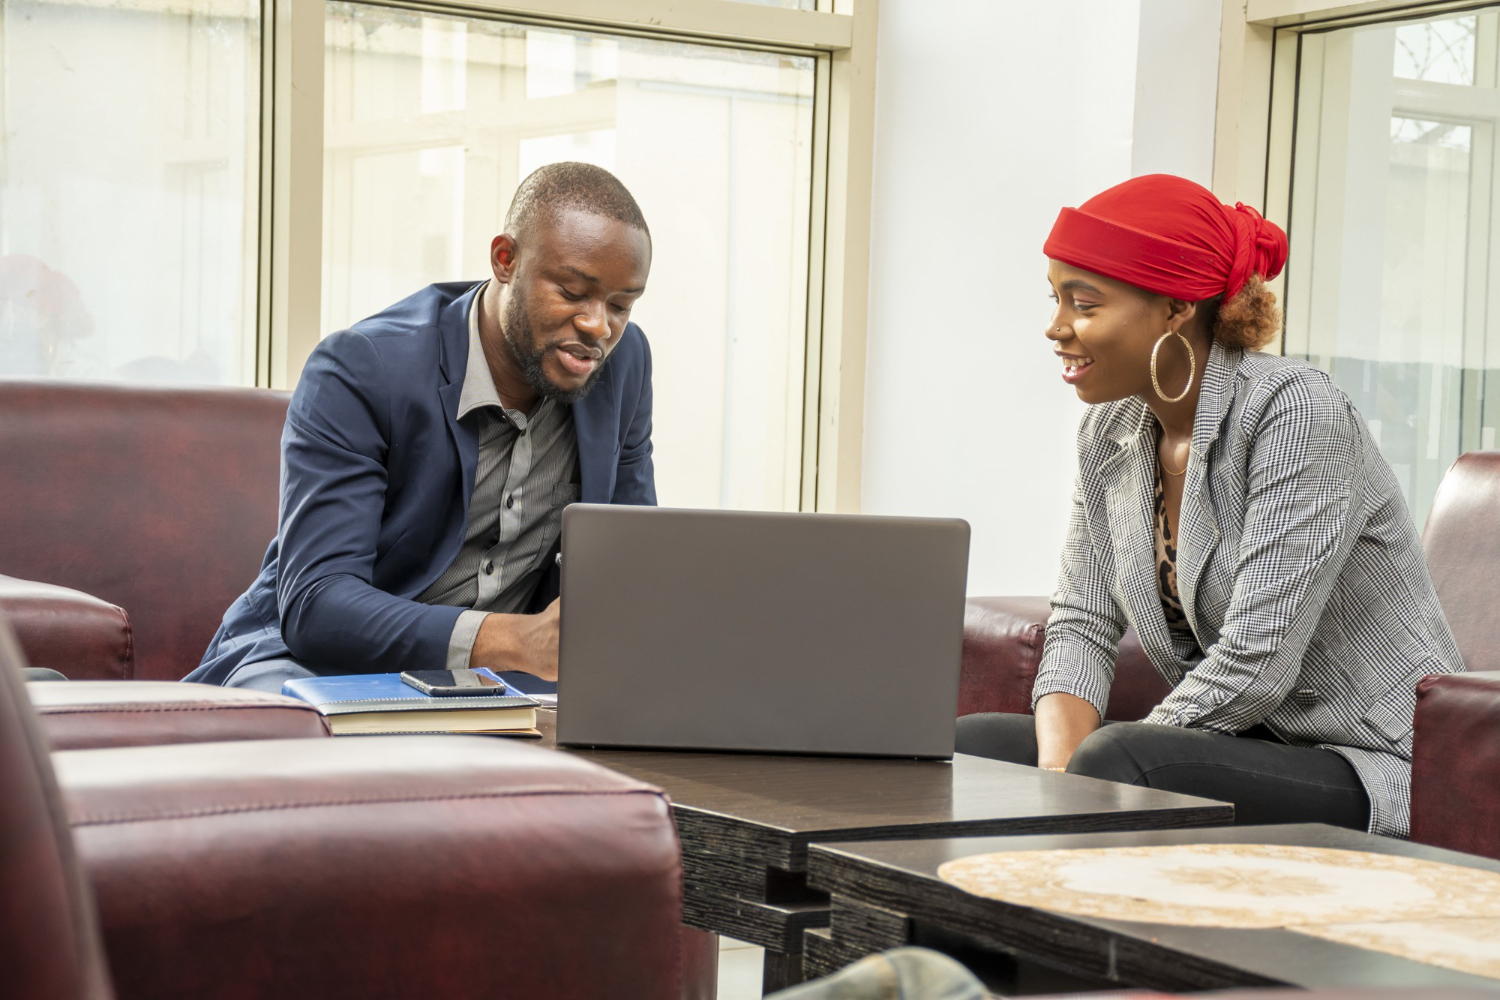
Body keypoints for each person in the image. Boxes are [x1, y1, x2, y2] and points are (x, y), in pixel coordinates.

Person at [955, 174, 1464, 838]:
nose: (1056, 328)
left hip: (1371, 763)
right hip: (1235, 746)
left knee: (1121, 760)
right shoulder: (1110, 430)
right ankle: (977, 942)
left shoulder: (1295, 411)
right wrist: (1057, 775)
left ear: (1175, 308)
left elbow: (1258, 660)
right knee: (976, 749)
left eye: (1083, 303)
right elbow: (1082, 622)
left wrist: (1094, 774)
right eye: (1055, 299)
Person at [186, 162, 654, 692]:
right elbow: (318, 603)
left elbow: (630, 564)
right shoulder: (362, 368)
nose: (598, 325)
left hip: (503, 684)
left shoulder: (621, 363)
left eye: (621, 305)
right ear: (506, 260)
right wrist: (515, 640)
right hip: (314, 663)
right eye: (572, 292)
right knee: (308, 738)